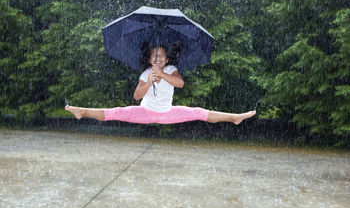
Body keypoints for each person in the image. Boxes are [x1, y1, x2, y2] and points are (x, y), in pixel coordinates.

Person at [65, 41, 256, 124]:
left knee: (199, 113)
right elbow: (136, 96)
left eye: (162, 56)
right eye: (155, 56)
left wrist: (162, 75)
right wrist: (148, 81)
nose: (158, 58)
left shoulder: (172, 70)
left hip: (167, 113)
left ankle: (234, 117)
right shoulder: (146, 72)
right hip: (145, 112)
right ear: (149, 60)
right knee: (117, 112)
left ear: (167, 59)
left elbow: (180, 84)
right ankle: (82, 111)